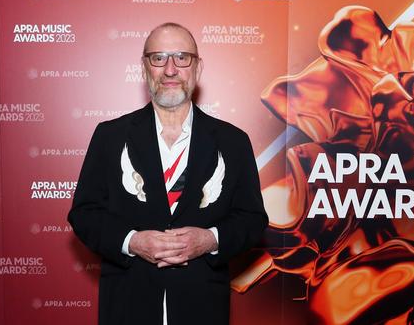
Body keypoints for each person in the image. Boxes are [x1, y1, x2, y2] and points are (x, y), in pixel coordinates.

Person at [68, 22, 267, 325]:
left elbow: (252, 220)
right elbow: (84, 214)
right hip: (127, 306)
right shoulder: (110, 136)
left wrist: (210, 239)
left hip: (203, 308)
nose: (170, 70)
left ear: (198, 69)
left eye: (182, 58)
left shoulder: (233, 141)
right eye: (159, 58)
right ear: (144, 68)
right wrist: (132, 241)